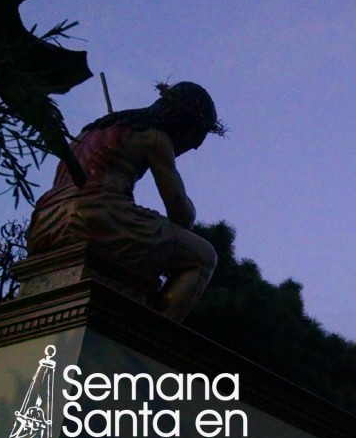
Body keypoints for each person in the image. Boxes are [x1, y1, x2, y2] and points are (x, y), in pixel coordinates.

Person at [27, 82, 223, 322]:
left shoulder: (90, 131)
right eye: (192, 143)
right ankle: (151, 337)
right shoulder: (153, 136)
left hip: (45, 221)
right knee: (202, 257)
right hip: (96, 217)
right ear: (185, 127)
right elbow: (181, 213)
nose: (186, 150)